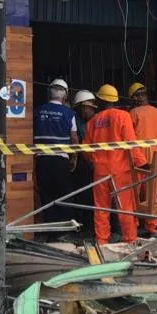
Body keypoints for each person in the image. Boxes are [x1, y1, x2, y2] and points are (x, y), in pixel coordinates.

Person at [85, 84, 148, 245]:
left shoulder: (92, 122)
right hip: (121, 171)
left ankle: (101, 241)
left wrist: (96, 160)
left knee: (101, 208)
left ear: (99, 100)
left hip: (100, 171)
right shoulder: (123, 116)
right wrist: (142, 162)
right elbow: (131, 143)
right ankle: (130, 240)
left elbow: (86, 150)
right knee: (125, 207)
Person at [32, 79, 78, 233]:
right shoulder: (69, 113)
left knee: (46, 196)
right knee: (64, 195)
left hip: (42, 160)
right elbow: (75, 140)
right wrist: (74, 159)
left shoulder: (37, 111)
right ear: (65, 96)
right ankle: (64, 232)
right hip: (61, 161)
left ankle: (50, 232)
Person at [127, 83, 157, 236]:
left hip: (138, 160)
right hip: (156, 160)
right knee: (152, 197)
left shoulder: (133, 113)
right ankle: (151, 227)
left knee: (135, 196)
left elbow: (128, 137)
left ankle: (134, 226)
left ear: (137, 97)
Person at [69, 89, 99, 238]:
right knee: (83, 197)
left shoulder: (94, 121)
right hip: (82, 165)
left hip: (93, 164)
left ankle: (89, 226)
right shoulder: (77, 122)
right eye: (89, 108)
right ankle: (84, 226)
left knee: (92, 197)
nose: (91, 111)